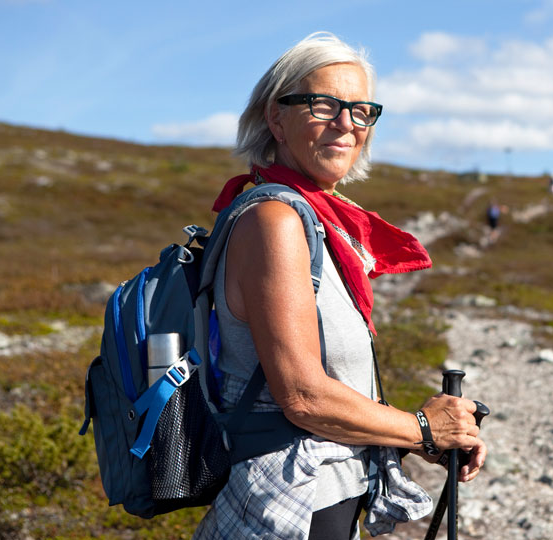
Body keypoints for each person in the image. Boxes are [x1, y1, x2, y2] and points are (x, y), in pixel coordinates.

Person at [194, 32, 486, 540]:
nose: (346, 124)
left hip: (320, 498)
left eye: (361, 110)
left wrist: (427, 439)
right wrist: (421, 428)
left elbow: (330, 390)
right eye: (323, 104)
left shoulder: (315, 222)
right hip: (288, 507)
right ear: (275, 117)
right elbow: (304, 397)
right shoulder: (275, 220)